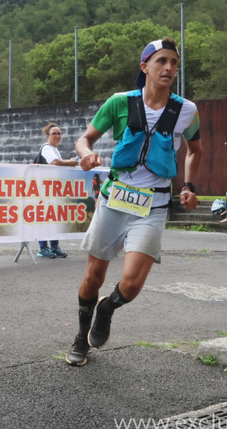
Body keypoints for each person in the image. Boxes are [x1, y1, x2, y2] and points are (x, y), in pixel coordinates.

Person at [65, 37, 202, 367]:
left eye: (173, 62)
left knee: (132, 283)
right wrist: (85, 155)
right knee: (92, 277)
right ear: (145, 67)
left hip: (152, 206)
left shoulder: (186, 110)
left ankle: (107, 309)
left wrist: (189, 185)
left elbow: (195, 150)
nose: (169, 67)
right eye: (161, 61)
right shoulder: (119, 102)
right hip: (115, 200)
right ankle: (80, 337)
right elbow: (85, 139)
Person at [32, 121, 79, 259]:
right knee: (44, 218)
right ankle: (43, 248)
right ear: (48, 135)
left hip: (51, 189)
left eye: (59, 134)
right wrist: (70, 162)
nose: (57, 136)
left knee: (53, 218)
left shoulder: (54, 149)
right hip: (42, 189)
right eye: (54, 134)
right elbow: (55, 162)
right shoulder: (47, 148)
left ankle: (54, 246)